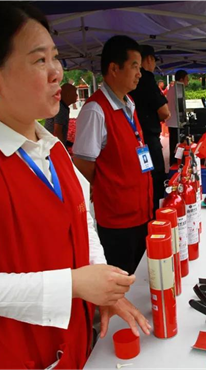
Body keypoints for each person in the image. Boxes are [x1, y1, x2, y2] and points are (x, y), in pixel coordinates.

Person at [0, 3, 150, 368]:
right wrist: (72, 284)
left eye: (55, 57)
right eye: (39, 60)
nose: (57, 72)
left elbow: (82, 220)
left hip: (72, 345)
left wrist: (101, 283)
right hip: (17, 356)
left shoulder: (54, 149)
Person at [73, 36, 153, 275]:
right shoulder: (96, 110)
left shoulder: (128, 103)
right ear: (114, 68)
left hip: (141, 210)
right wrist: (111, 186)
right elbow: (83, 164)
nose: (140, 73)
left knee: (139, 276)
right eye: (135, 66)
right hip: (118, 219)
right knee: (122, 279)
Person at [129, 44, 170, 212]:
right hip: (148, 138)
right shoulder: (147, 79)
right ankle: (156, 215)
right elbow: (164, 112)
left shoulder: (134, 82)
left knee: (145, 179)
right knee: (156, 178)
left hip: (136, 137)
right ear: (149, 59)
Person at [166, 69, 189, 164]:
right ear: (181, 79)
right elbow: (180, 107)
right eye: (187, 79)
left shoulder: (172, 89)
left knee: (174, 144)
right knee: (176, 145)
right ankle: (175, 162)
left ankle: (174, 161)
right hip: (176, 122)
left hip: (173, 121)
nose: (188, 81)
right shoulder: (177, 89)